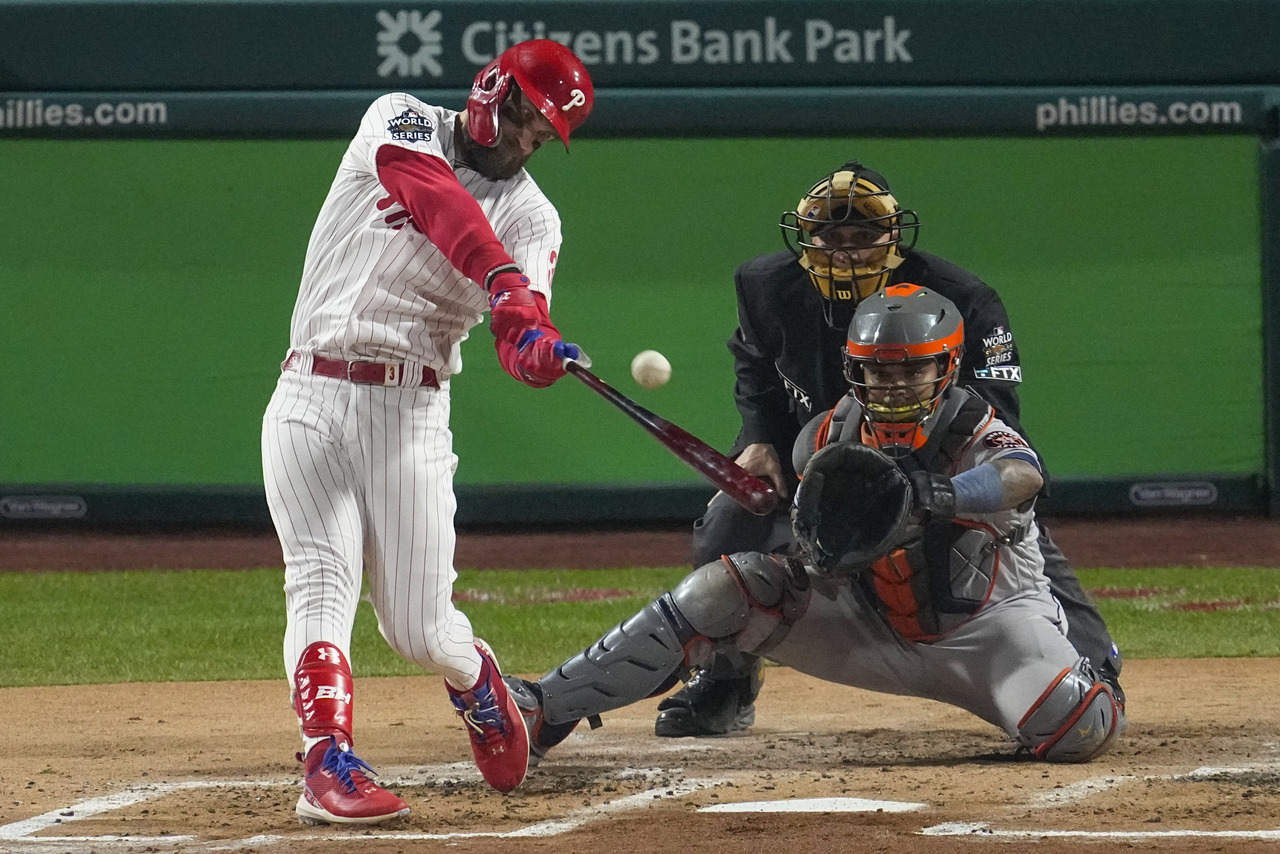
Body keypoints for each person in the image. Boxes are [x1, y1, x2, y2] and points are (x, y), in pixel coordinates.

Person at [506, 285, 1126, 768]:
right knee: (724, 590)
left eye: (911, 370)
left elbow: (1023, 476)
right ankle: (545, 709)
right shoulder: (827, 437)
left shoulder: (975, 428)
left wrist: (934, 493)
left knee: (1073, 726)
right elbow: (818, 544)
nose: (893, 386)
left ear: (948, 368)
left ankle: (1091, 680)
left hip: (989, 634)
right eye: (879, 371)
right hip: (868, 628)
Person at [654, 161, 1124, 738]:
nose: (845, 251)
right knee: (728, 528)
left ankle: (1091, 662)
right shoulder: (764, 286)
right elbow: (755, 369)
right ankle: (727, 679)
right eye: (830, 236)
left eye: (863, 236)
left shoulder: (963, 299)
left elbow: (995, 419)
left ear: (894, 239)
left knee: (1006, 540)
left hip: (930, 469)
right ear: (805, 239)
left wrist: (925, 491)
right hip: (814, 457)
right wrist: (756, 439)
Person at [260, 40, 594, 824]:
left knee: (418, 628)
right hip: (308, 388)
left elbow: (521, 331)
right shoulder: (401, 120)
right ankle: (327, 760)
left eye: (540, 136)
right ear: (492, 84)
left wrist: (533, 346)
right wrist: (502, 280)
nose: (521, 141)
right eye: (521, 116)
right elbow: (436, 198)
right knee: (318, 579)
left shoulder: (535, 215)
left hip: (409, 412)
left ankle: (475, 679)